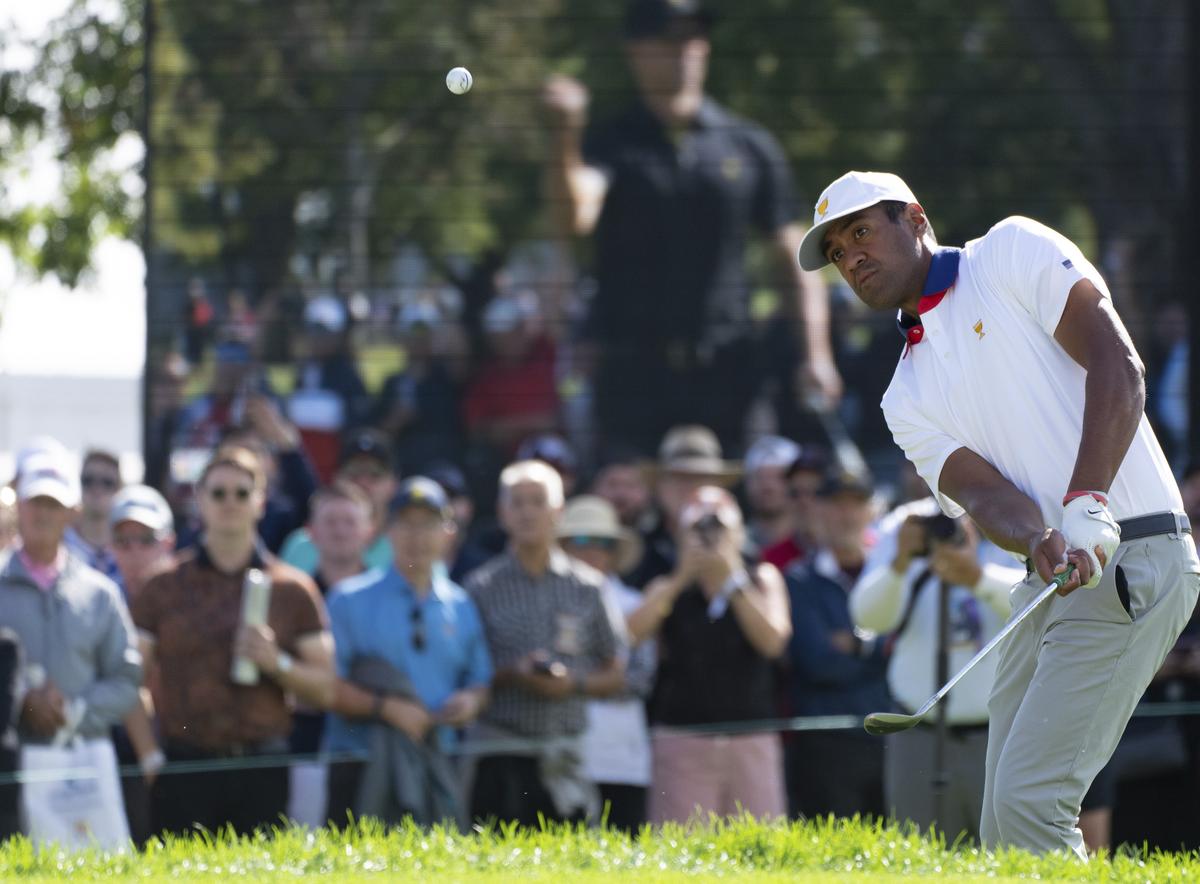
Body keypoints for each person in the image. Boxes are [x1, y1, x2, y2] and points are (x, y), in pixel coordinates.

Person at [799, 169, 1198, 857]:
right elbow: (984, 496)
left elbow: (1118, 364)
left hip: (1135, 552)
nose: (852, 258)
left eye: (862, 232)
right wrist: (1039, 536)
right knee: (1003, 831)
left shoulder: (1009, 250)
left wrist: (1086, 501)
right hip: (1049, 582)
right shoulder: (904, 396)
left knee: (1031, 804)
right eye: (836, 252)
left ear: (915, 219)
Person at [542, 0, 839, 456]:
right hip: (632, 376)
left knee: (738, 506)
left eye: (695, 37)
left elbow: (794, 255)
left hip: (730, 372)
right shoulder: (611, 142)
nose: (686, 50)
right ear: (636, 50)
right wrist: (565, 135)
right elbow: (574, 215)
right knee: (630, 506)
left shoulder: (748, 144)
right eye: (669, 37)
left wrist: (815, 354)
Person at [132, 446, 334, 836]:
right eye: (218, 492)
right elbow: (131, 681)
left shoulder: (293, 588)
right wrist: (149, 756)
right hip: (184, 765)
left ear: (260, 502)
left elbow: (325, 689)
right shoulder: (163, 586)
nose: (229, 503)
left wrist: (278, 663)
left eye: (242, 493)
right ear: (199, 500)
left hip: (262, 766)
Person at [850, 498, 1023, 841]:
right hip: (918, 734)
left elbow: (1041, 605)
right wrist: (900, 562)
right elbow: (868, 618)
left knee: (1007, 857)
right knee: (921, 859)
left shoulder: (1016, 513)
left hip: (1002, 735)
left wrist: (976, 577)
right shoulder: (909, 520)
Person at [323, 477, 493, 826]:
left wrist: (470, 703)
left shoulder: (461, 605)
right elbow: (327, 687)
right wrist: (388, 709)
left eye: (428, 524)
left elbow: (480, 681)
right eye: (406, 524)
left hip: (436, 761)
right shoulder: (348, 600)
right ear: (388, 530)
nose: (417, 536)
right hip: (360, 765)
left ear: (449, 531)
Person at [465, 460, 623, 826]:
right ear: (502, 513)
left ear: (559, 512)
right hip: (498, 752)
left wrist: (573, 684)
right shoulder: (479, 588)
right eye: (517, 503)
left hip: (565, 753)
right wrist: (513, 674)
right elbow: (465, 674)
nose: (527, 512)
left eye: (537, 501)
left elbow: (616, 670)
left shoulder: (589, 586)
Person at [629, 486, 791, 823]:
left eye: (719, 528)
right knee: (682, 855)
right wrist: (682, 577)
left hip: (751, 736)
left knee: (760, 850)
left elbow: (773, 641)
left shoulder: (761, 578)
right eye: (699, 529)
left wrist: (732, 581)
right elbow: (630, 634)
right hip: (683, 738)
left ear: (738, 533)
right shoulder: (667, 585)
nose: (709, 537)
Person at [0, 449, 143, 834]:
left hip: (83, 763)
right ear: (20, 506)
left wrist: (76, 712)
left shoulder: (100, 593)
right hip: (8, 768)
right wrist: (18, 703)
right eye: (35, 502)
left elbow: (127, 679)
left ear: (72, 512)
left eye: (53, 503)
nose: (43, 514)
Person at [784, 470, 887, 819]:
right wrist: (878, 651)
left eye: (856, 504)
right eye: (836, 504)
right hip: (826, 745)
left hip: (891, 738)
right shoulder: (799, 579)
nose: (846, 515)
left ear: (872, 512)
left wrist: (856, 646)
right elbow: (818, 662)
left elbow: (900, 649)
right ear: (818, 511)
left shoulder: (893, 576)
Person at [558, 495, 654, 831]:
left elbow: (638, 679)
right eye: (581, 540)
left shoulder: (635, 602)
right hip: (565, 757)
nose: (592, 551)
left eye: (603, 543)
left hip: (622, 759)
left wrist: (572, 682)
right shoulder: (547, 602)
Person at [108, 484, 176, 845]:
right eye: (124, 541)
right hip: (122, 751)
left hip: (183, 744)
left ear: (168, 542)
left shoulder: (189, 596)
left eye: (146, 539)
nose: (135, 551)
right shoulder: (99, 599)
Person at [625, 425, 741, 589]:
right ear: (660, 488)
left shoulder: (743, 546)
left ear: (718, 488)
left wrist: (730, 566)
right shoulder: (635, 551)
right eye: (678, 478)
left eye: (699, 478)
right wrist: (679, 578)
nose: (689, 488)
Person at [280, 429, 398, 576]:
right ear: (336, 478)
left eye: (375, 475)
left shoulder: (403, 547)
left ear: (393, 484)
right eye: (354, 473)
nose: (363, 482)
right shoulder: (300, 546)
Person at [373, 300, 465, 474]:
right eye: (413, 333)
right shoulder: (393, 383)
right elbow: (378, 437)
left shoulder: (448, 378)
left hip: (443, 470)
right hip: (404, 470)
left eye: (425, 334)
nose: (419, 340)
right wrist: (396, 420)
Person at [462, 295, 560, 456]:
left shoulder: (547, 355)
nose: (508, 341)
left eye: (513, 331)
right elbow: (479, 430)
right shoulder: (485, 379)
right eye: (500, 336)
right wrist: (533, 424)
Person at [759, 447, 828, 573]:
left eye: (815, 492)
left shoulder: (861, 553)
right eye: (795, 493)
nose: (804, 501)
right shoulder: (771, 560)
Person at [63, 449, 123, 582]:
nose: (97, 489)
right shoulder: (60, 544)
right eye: (88, 481)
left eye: (107, 482)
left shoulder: (130, 546)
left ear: (119, 488)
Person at [742, 435, 801, 555]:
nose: (768, 486)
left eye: (779, 477)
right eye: (760, 477)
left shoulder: (813, 546)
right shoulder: (735, 545)